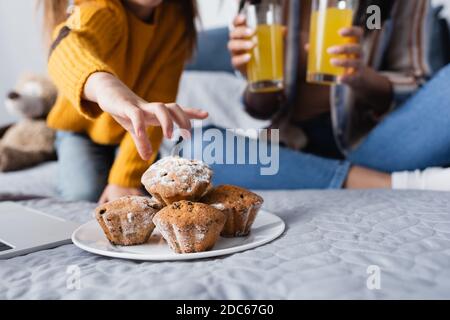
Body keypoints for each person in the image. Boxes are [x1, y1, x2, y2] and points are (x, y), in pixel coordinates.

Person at [198, 0, 450, 191]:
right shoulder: (261, 5)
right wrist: (257, 82)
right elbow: (260, 108)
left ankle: (334, 178)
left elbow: (419, 90)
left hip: (377, 142)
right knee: (199, 148)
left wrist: (362, 78)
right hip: (292, 150)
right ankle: (390, 184)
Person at [41, 0, 208, 203]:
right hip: (80, 130)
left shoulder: (175, 23)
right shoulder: (100, 9)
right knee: (84, 194)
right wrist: (105, 87)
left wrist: (124, 180)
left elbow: (157, 109)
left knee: (148, 192)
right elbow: (66, 47)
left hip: (133, 132)